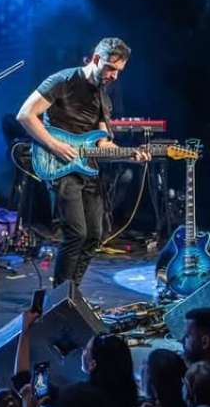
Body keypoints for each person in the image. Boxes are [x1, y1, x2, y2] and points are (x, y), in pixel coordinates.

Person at [16, 37, 149, 289]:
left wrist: (129, 154)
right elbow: (25, 114)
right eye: (111, 68)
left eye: (119, 71)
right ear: (97, 59)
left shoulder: (103, 99)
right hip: (59, 164)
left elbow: (102, 144)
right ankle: (59, 297)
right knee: (76, 233)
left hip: (88, 169)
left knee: (94, 236)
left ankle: (71, 292)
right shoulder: (63, 80)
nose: (114, 76)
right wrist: (55, 145)